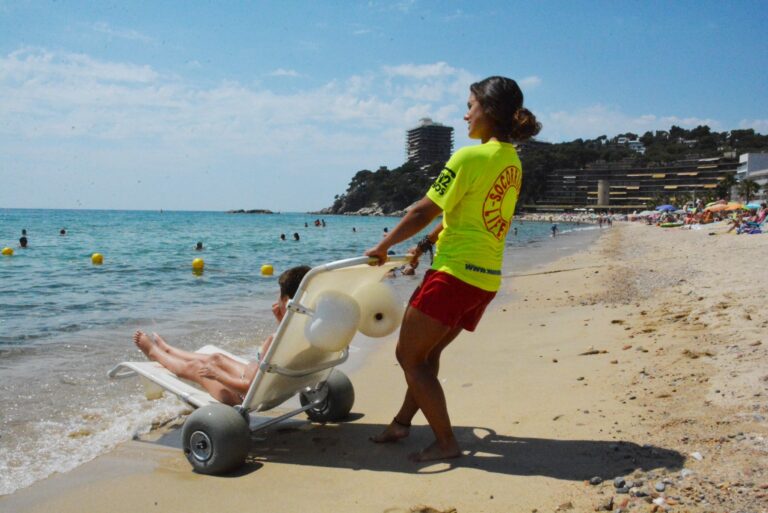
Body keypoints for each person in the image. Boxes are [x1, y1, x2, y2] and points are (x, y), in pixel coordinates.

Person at [364, 76, 540, 462]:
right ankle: (401, 424)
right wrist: (423, 245)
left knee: (408, 357)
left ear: (488, 111)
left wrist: (382, 246)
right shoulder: (511, 161)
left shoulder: (469, 156)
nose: (465, 115)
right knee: (424, 357)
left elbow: (424, 209)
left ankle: (446, 443)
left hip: (454, 276)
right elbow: (465, 213)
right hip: (484, 279)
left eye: (470, 106)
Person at [132, 265, 310, 406]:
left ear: (287, 302)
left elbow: (249, 389)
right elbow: (285, 352)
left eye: (279, 294)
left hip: (242, 394)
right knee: (216, 357)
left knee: (196, 367)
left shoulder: (274, 341)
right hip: (271, 384)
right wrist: (281, 321)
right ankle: (169, 350)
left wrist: (217, 375)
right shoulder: (309, 332)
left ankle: (155, 353)